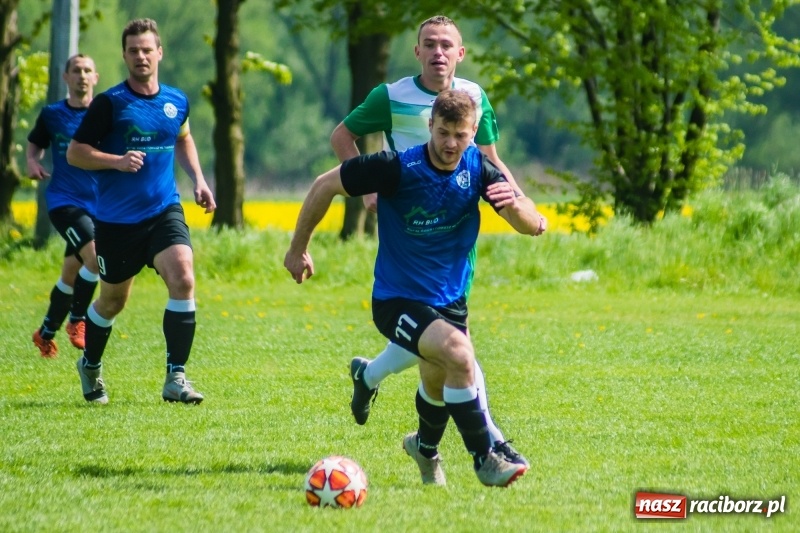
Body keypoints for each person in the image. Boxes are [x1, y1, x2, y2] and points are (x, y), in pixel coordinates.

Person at [286, 89, 545, 487]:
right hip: (397, 300)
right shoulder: (397, 168)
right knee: (460, 355)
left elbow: (529, 220)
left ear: (473, 132)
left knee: (437, 383)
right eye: (442, 132)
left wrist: (519, 210)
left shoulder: (478, 167)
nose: (450, 144)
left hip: (450, 300)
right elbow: (324, 185)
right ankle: (485, 458)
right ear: (430, 126)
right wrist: (297, 248)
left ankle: (423, 448)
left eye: (460, 135)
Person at [330, 15, 537, 465]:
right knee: (451, 345)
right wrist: (368, 191)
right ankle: (492, 443)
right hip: (410, 229)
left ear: (460, 54)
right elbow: (342, 136)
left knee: (437, 345)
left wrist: (522, 204)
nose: (439, 52)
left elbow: (489, 160)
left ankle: (370, 378)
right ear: (418, 51)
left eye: (447, 45)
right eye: (430, 44)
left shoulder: (473, 98)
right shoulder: (390, 96)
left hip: (454, 229)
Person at [66, 18, 216, 405]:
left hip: (164, 210)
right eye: (133, 50)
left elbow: (182, 138)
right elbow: (75, 152)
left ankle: (175, 377)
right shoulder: (110, 104)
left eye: (147, 49)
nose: (141, 56)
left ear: (159, 53)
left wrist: (198, 178)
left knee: (183, 275)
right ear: (124, 55)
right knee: (113, 302)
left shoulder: (176, 100)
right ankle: (91, 364)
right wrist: (116, 161)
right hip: (116, 222)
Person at [27, 54, 101, 358]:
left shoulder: (106, 113)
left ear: (96, 77)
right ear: (65, 77)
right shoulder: (52, 114)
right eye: (76, 71)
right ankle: (77, 320)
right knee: (96, 259)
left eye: (87, 71)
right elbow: (36, 143)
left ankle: (44, 333)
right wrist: (32, 160)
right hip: (64, 202)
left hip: (100, 204)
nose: (82, 76)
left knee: (72, 271)